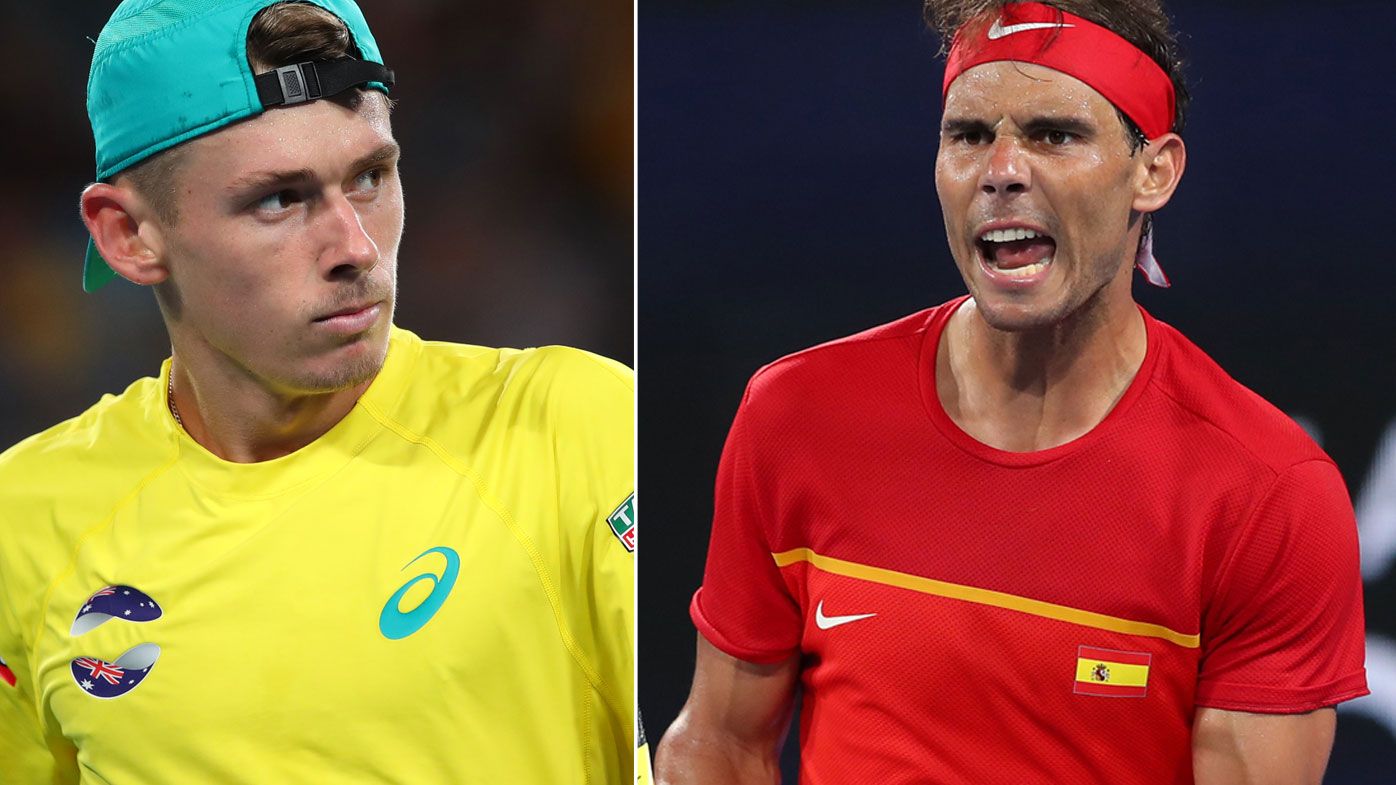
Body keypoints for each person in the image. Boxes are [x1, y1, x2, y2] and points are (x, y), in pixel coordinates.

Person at [654, 1, 1367, 783]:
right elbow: (716, 743)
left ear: (1152, 171)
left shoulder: (1268, 493)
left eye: (1053, 134)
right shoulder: (793, 414)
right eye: (967, 136)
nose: (1000, 171)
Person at [0, 1, 634, 782]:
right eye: (278, 199)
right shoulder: (22, 523)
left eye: (371, 176)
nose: (355, 247)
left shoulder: (575, 429)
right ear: (130, 236)